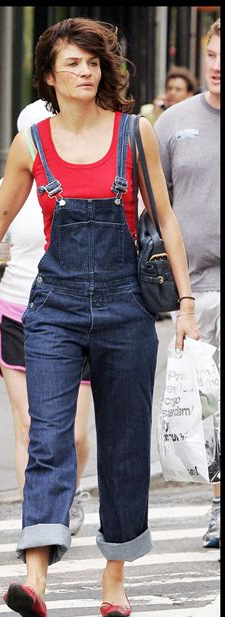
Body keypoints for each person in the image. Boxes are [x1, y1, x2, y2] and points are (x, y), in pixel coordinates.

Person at [0, 17, 199, 617]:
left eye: (93, 62)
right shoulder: (32, 143)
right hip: (55, 311)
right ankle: (35, 576)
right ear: (49, 74)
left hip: (127, 310)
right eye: (72, 63)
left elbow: (167, 221)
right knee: (48, 438)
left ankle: (115, 573)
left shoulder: (134, 133)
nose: (85, 71)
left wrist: (187, 305)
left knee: (124, 444)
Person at [0, 99, 92, 533]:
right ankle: (36, 517)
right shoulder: (8, 186)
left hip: (74, 311)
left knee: (75, 433)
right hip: (17, 309)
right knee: (28, 425)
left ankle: (72, 489)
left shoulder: (81, 179)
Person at [155, 19, 220, 549]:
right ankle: (220, 506)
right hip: (195, 291)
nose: (218, 66)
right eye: (213, 55)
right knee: (210, 406)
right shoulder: (174, 122)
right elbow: (154, 208)